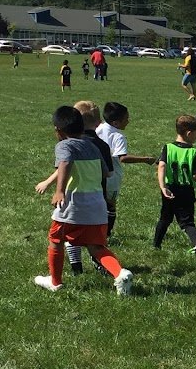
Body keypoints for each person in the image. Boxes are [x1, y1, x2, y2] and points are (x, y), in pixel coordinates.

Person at [33, 105, 134, 295]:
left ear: (58, 130)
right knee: (96, 247)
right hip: (97, 205)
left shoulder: (64, 145)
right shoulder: (93, 146)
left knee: (56, 240)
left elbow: (65, 162)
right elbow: (107, 172)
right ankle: (120, 273)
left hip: (73, 205)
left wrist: (59, 191)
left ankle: (55, 282)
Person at [63, 100, 115, 274]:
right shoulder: (102, 146)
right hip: (97, 197)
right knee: (96, 238)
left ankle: (76, 266)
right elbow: (108, 173)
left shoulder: (70, 144)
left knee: (71, 232)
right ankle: (101, 264)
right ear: (99, 122)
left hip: (73, 195)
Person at [96, 101, 155, 236]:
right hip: (112, 177)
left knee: (97, 203)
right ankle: (106, 234)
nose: (128, 121)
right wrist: (146, 159)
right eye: (126, 119)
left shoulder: (98, 128)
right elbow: (123, 158)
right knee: (110, 205)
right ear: (116, 123)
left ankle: (94, 231)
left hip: (96, 174)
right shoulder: (118, 136)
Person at [154, 114, 196, 254]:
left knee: (165, 219)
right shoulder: (194, 152)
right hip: (186, 191)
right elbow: (195, 175)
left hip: (170, 189)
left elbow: (161, 166)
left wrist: (163, 187)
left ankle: (156, 245)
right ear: (189, 133)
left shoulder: (168, 148)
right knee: (187, 223)